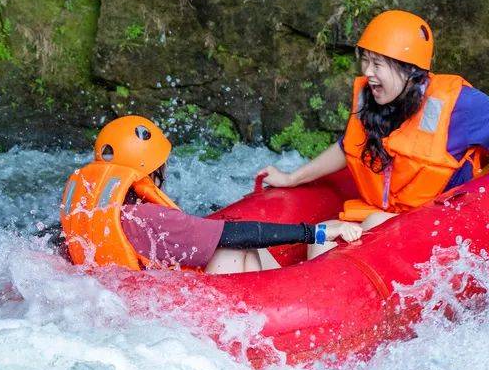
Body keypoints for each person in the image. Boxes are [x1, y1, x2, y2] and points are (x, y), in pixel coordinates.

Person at [257, 9, 489, 256]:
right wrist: (292, 178)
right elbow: (348, 147)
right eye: (366, 61)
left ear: (409, 70)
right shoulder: (373, 99)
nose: (368, 72)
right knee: (321, 234)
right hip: (385, 213)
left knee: (375, 224)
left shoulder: (456, 103)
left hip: (439, 220)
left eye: (378, 64)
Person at [60, 115, 362, 274]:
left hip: (144, 308)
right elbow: (231, 235)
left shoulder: (85, 217)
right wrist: (316, 233)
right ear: (150, 171)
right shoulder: (150, 219)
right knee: (235, 247)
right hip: (194, 317)